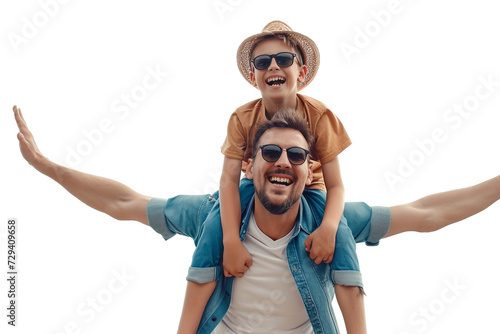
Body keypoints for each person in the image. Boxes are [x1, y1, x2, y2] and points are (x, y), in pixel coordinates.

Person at [13, 104, 500, 333]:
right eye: (270, 151)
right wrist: (49, 167)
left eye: (295, 154)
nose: (282, 161)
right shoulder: (213, 215)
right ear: (249, 165)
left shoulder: (332, 221)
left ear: (311, 171)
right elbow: (124, 203)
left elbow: (427, 213)